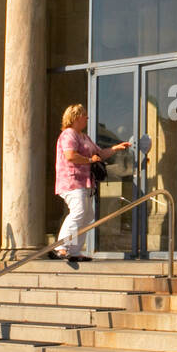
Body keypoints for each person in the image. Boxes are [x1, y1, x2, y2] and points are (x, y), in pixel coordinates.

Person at [53, 104, 130, 262]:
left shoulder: (84, 136)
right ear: (75, 117)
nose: (87, 118)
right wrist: (89, 160)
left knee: (87, 215)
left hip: (86, 182)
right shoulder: (69, 134)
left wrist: (115, 148)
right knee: (79, 212)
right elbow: (70, 156)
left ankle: (74, 251)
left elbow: (99, 154)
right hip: (72, 181)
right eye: (84, 115)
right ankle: (60, 247)